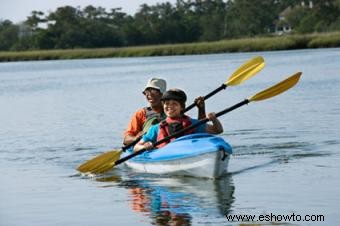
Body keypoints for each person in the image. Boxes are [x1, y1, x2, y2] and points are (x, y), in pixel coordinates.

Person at [134, 89, 223, 152]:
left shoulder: (193, 123)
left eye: (174, 104)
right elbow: (136, 147)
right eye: (166, 104)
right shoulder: (156, 128)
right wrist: (144, 147)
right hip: (165, 156)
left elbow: (217, 130)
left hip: (189, 153)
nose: (169, 106)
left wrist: (214, 119)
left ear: (182, 107)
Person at [123, 78, 206, 146]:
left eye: (153, 91)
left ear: (163, 94)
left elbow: (200, 128)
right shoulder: (141, 113)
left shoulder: (173, 112)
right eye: (146, 92)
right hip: (149, 148)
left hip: (169, 147)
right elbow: (126, 140)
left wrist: (201, 109)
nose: (149, 95)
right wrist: (138, 138)